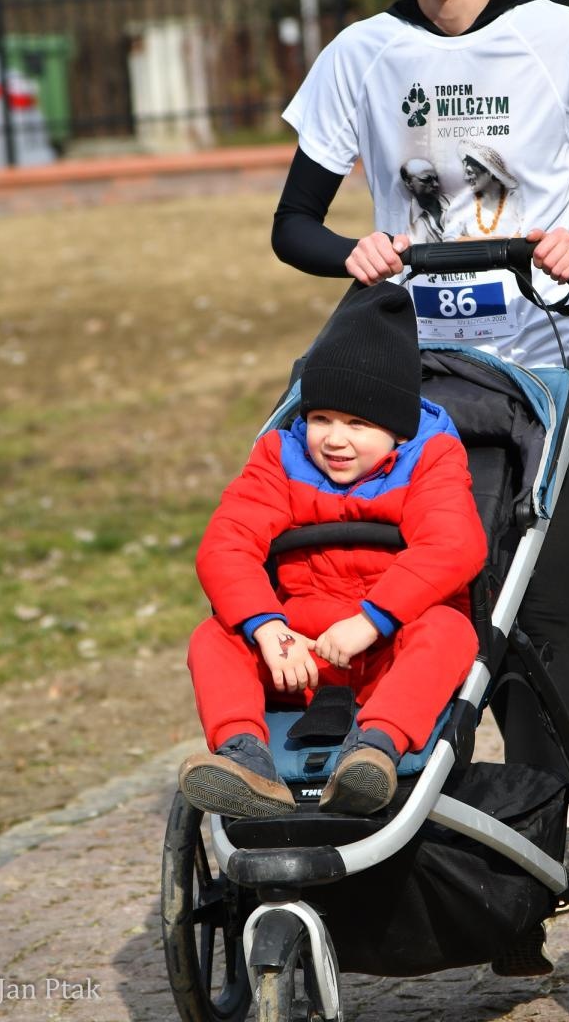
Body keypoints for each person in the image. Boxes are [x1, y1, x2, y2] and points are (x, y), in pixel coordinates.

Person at [270, 0, 569, 782]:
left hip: (547, 368)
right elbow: (293, 223)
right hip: (413, 383)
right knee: (417, 604)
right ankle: (401, 799)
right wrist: (349, 251)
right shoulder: (361, 54)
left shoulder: (562, 40)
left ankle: (533, 827)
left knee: (528, 619)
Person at [179, 283, 486, 819]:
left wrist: (371, 621)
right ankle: (244, 758)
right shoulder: (281, 455)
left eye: (358, 424)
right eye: (321, 418)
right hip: (295, 650)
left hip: (388, 650)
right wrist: (267, 629)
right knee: (214, 635)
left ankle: (373, 753)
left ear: (396, 427)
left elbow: (453, 545)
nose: (334, 440)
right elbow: (226, 544)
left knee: (449, 629)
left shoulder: (429, 458)